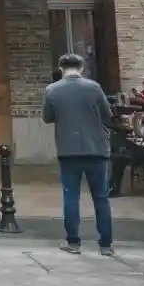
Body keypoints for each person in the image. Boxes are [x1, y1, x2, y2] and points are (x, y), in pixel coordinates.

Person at [43, 53, 115, 256]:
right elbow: (107, 116)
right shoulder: (94, 87)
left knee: (71, 196)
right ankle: (106, 245)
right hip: (96, 148)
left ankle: (73, 242)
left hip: (68, 149)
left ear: (61, 69)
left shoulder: (52, 90)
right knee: (101, 197)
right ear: (81, 68)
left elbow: (47, 117)